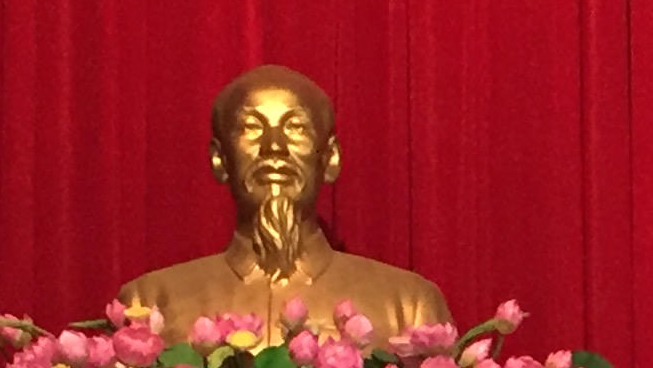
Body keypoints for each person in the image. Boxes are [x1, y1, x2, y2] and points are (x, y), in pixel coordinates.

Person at [114, 64, 450, 342]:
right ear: (220, 159)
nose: (273, 147)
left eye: (296, 128)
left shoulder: (408, 305)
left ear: (330, 158)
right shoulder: (150, 303)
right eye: (251, 127)